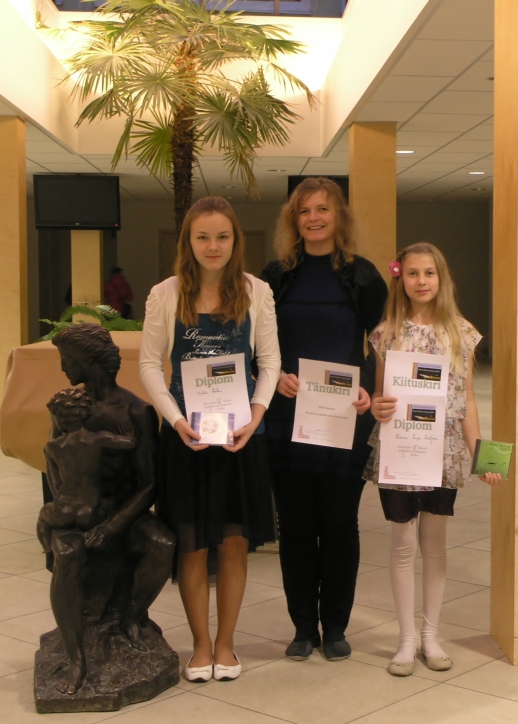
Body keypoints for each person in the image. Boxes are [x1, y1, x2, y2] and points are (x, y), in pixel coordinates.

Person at [139, 196, 280, 683]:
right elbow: (148, 365)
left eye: (222, 236)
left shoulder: (258, 292)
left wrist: (255, 416)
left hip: (241, 438)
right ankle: (201, 644)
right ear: (188, 241)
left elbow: (270, 362)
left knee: (235, 543)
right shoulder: (165, 294)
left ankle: (226, 644)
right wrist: (177, 420)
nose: (213, 246)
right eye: (203, 237)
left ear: (235, 240)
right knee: (192, 545)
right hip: (187, 439)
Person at [261, 177, 388, 662]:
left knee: (338, 524)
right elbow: (258, 344)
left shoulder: (363, 276)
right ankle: (302, 628)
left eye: (323, 209)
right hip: (286, 417)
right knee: (294, 525)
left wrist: (368, 386)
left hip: (344, 418)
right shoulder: (276, 276)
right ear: (293, 220)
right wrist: (275, 377)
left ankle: (334, 626)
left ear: (339, 216)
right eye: (304, 211)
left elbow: (382, 341)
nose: (313, 218)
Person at [364, 242, 502, 677]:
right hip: (400, 449)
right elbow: (380, 394)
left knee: (435, 543)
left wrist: (481, 455)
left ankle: (430, 634)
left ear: (441, 279)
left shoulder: (461, 333)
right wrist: (377, 407)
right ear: (400, 278)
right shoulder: (386, 333)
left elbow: (467, 402)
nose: (421, 281)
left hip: (442, 450)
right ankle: (406, 639)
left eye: (429, 273)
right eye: (413, 273)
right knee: (403, 543)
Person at [50, 324, 176, 694]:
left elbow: (150, 483)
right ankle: (76, 658)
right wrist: (68, 509)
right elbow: (53, 464)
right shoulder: (67, 408)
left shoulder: (135, 411)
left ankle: (130, 618)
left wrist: (112, 527)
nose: (63, 368)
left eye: (68, 360)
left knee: (163, 544)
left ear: (90, 362)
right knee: (67, 554)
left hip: (123, 512)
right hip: (77, 510)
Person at [37, 387, 136, 556]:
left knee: (43, 518)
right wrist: (130, 434)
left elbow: (52, 476)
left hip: (63, 508)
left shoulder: (54, 446)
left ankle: (47, 549)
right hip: (89, 509)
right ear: (86, 414)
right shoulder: (96, 439)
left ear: (59, 419)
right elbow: (129, 444)